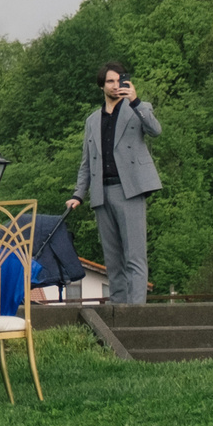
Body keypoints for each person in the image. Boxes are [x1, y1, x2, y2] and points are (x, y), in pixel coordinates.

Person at [67, 61, 162, 306]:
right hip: (101, 192)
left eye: (120, 80)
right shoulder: (92, 120)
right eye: (110, 81)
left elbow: (155, 130)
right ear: (102, 86)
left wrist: (136, 101)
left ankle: (137, 311)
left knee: (135, 256)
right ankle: (118, 308)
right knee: (113, 259)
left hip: (129, 189)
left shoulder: (138, 108)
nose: (116, 85)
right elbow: (86, 162)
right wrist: (79, 194)